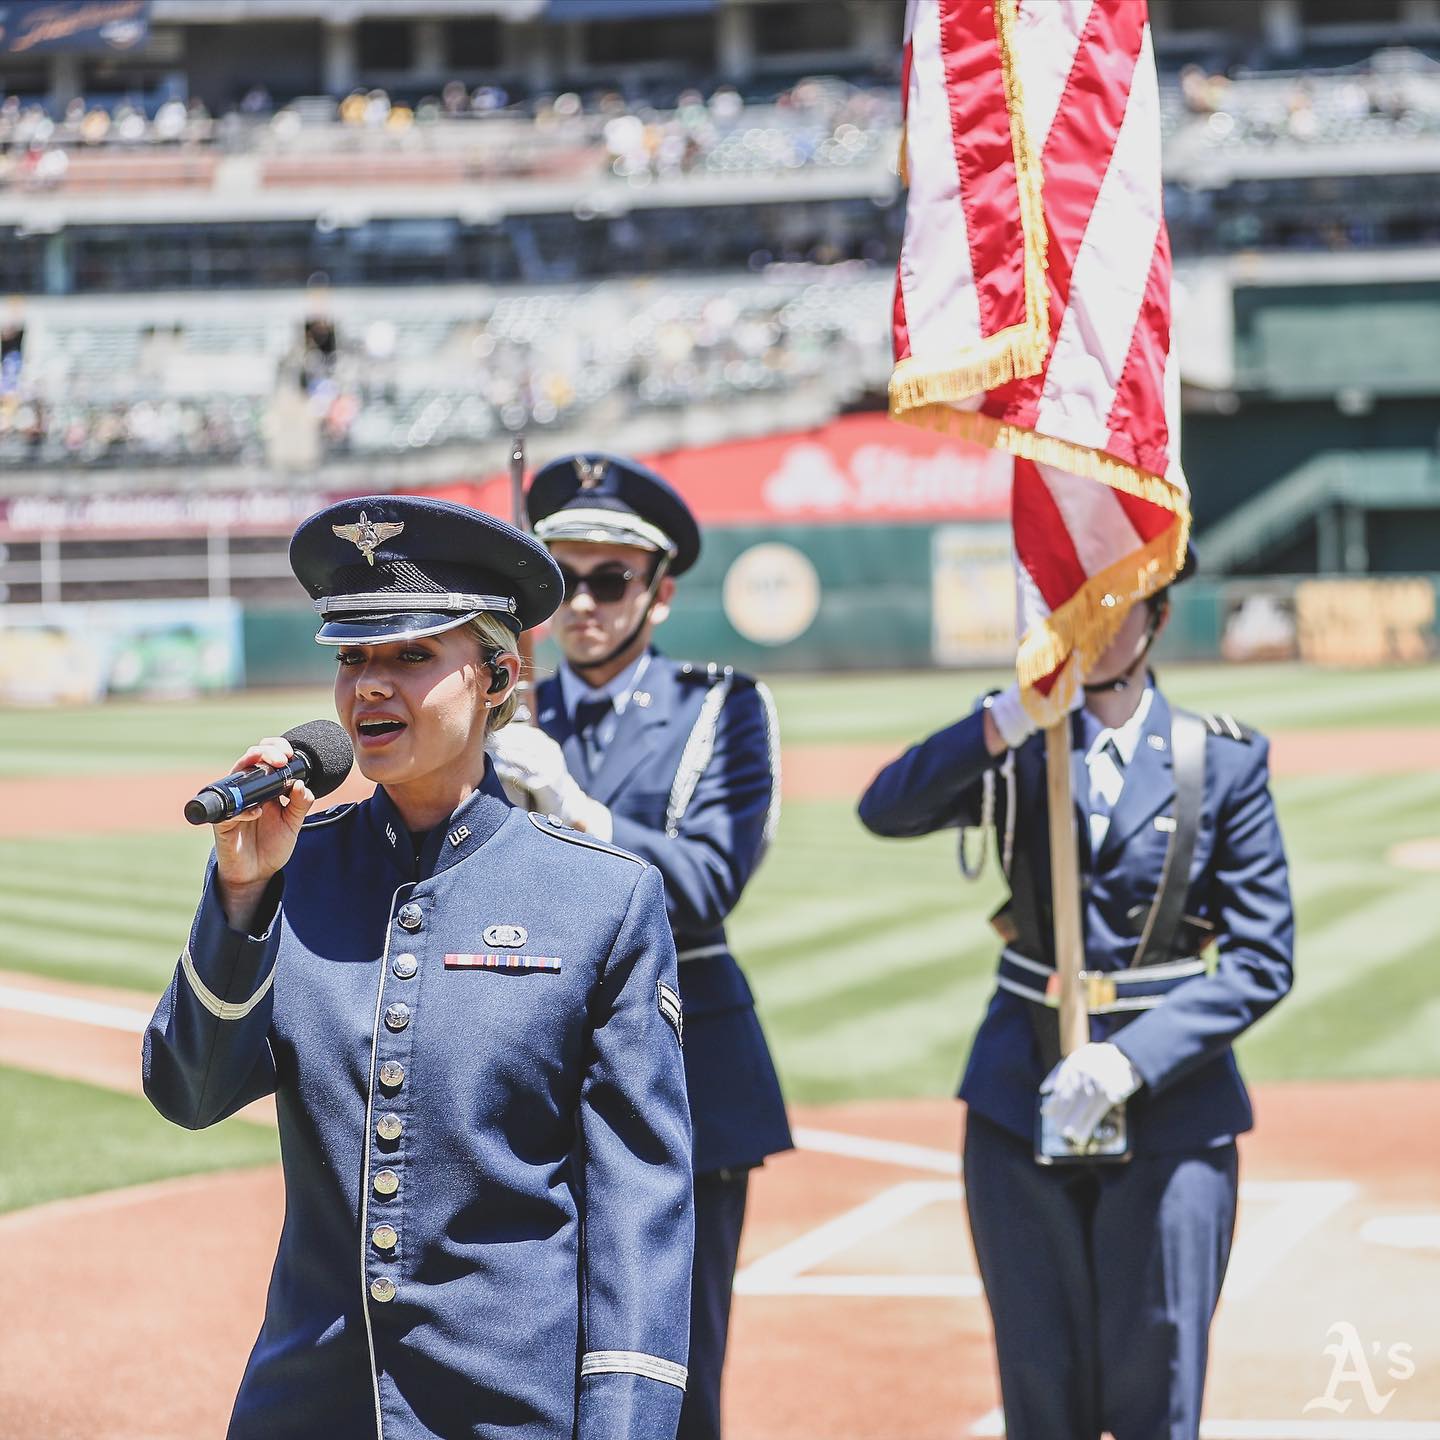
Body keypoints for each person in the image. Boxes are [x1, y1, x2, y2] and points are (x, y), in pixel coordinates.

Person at [143, 495, 695, 1440]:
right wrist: (240, 896)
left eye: (410, 656)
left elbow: (638, 1209)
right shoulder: (291, 867)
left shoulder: (603, 900)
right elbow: (190, 1093)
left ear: (496, 676)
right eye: (352, 657)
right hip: (306, 1407)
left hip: (508, 1413)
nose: (369, 688)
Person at [857, 560, 1294, 1440]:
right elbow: (887, 808)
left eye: (1113, 603)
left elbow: (1261, 960)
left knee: (1156, 1382)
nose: (1088, 621)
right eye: (1068, 601)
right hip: (1023, 1090)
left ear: (1159, 617)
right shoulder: (1020, 743)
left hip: (1173, 1109)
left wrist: (1133, 1057)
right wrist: (1005, 717)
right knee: (1038, 1383)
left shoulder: (1223, 758)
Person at [487, 453, 792, 1440]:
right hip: (531, 1072)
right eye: (562, 578)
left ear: (659, 594)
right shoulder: (503, 719)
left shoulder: (720, 708)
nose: (582, 603)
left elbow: (707, 882)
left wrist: (577, 810)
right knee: (529, 1367)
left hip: (686, 1071)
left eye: (609, 579)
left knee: (671, 1377)